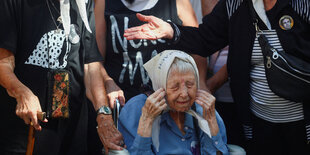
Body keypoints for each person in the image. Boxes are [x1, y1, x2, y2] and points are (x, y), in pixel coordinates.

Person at [123, 0, 310, 154]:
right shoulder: (235, 5)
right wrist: (171, 31)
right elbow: (205, 38)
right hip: (259, 122)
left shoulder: (302, 5)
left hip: (304, 124)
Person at [0, 0, 123, 154]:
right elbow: (3, 64)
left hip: (73, 129)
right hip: (27, 129)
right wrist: (22, 93)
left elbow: (91, 65)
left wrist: (104, 116)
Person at [94, 0, 208, 108]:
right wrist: (106, 81)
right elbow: (96, 57)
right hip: (122, 102)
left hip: (170, 103)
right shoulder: (104, 2)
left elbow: (196, 47)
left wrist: (201, 83)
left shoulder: (177, 2)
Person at [118, 50, 229, 155]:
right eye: (175, 87)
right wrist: (147, 120)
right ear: (159, 86)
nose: (184, 94)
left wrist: (210, 123)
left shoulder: (204, 107)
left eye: (190, 84)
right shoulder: (136, 109)